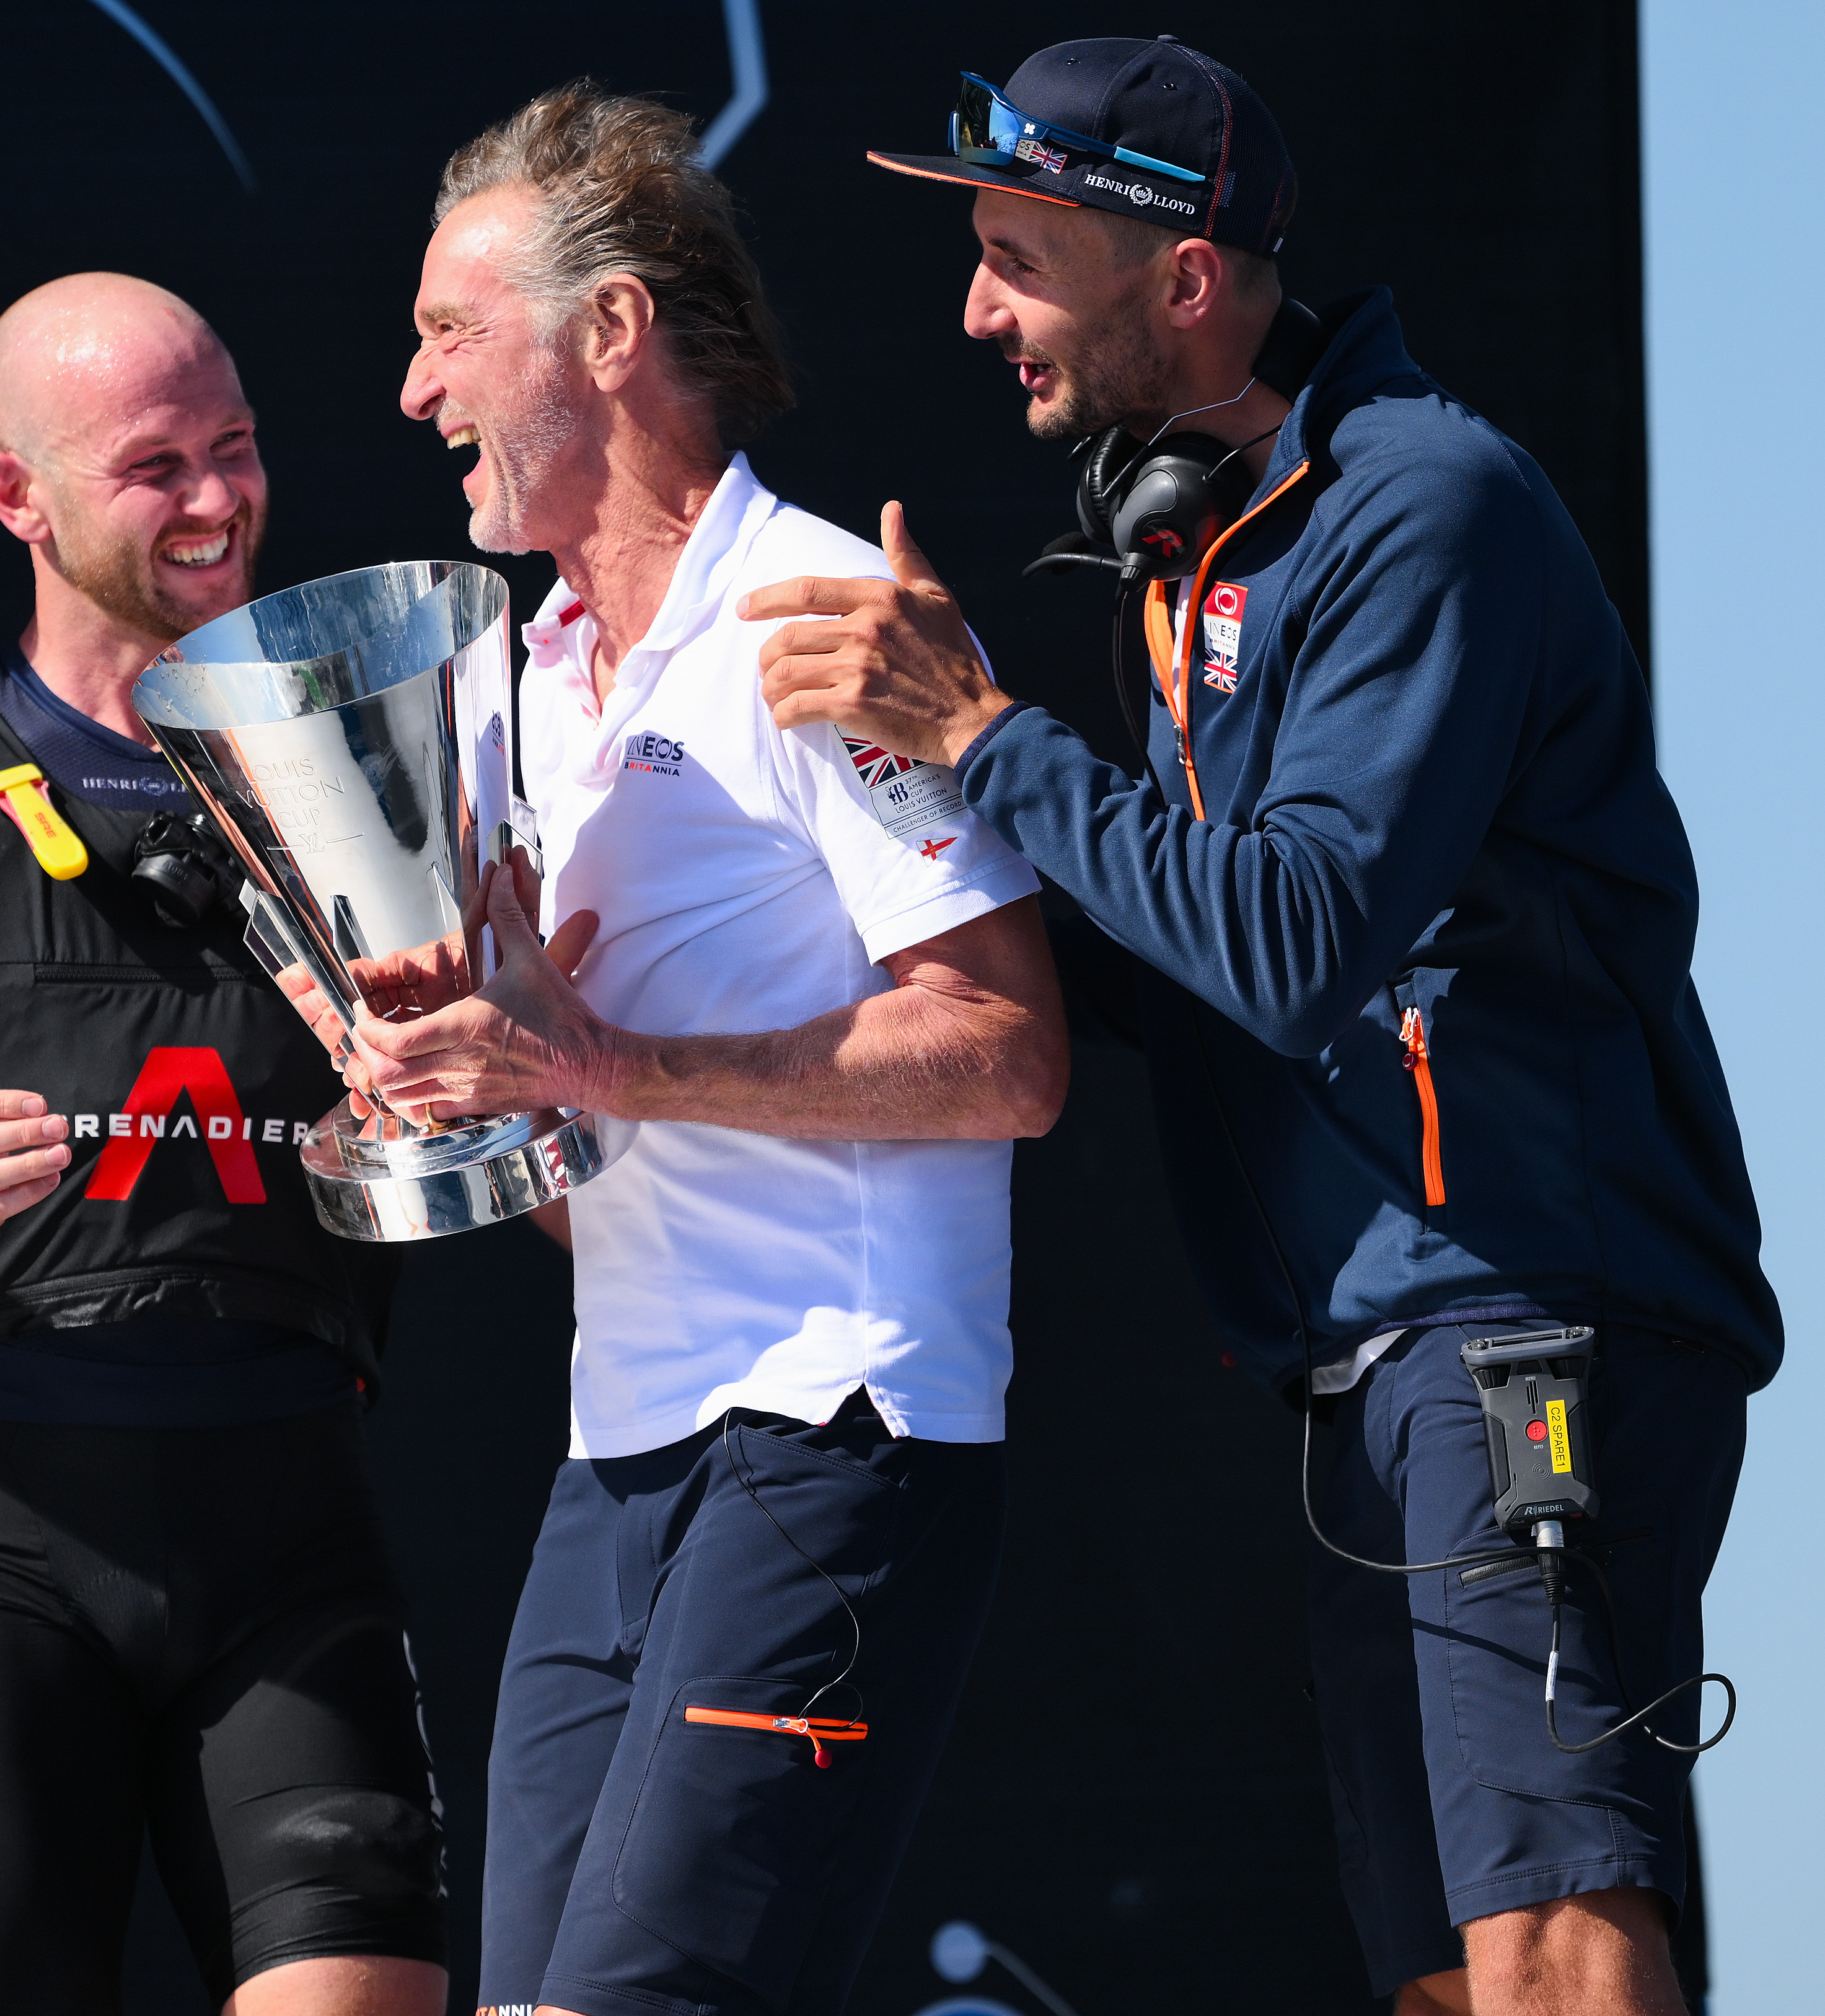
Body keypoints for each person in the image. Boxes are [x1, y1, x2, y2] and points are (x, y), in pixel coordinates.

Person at [747, 37, 1779, 2016]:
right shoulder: (1199, 538)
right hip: (1378, 1345)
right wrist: (898, 929)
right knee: (1440, 1971)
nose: (978, 311)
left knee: (1554, 1933)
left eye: (1020, 260)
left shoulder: (1427, 508)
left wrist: (978, 736)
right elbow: (1195, 942)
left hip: (1519, 1312)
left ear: (1190, 279)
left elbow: (1296, 934)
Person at [345, 84, 1069, 2016]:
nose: (414, 392)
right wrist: (469, 1092)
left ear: (609, 334)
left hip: (841, 1425)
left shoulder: (812, 614)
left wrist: (601, 1066)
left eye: (448, 331)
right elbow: (581, 1147)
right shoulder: (514, 678)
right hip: (624, 1446)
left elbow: (1006, 1055)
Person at [0, 272, 449, 2015]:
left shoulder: (360, 767)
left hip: (295, 1531)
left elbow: (515, 1151)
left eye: (238, 448)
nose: (215, 502)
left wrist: (464, 1092)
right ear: (12, 495)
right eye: (155, 466)